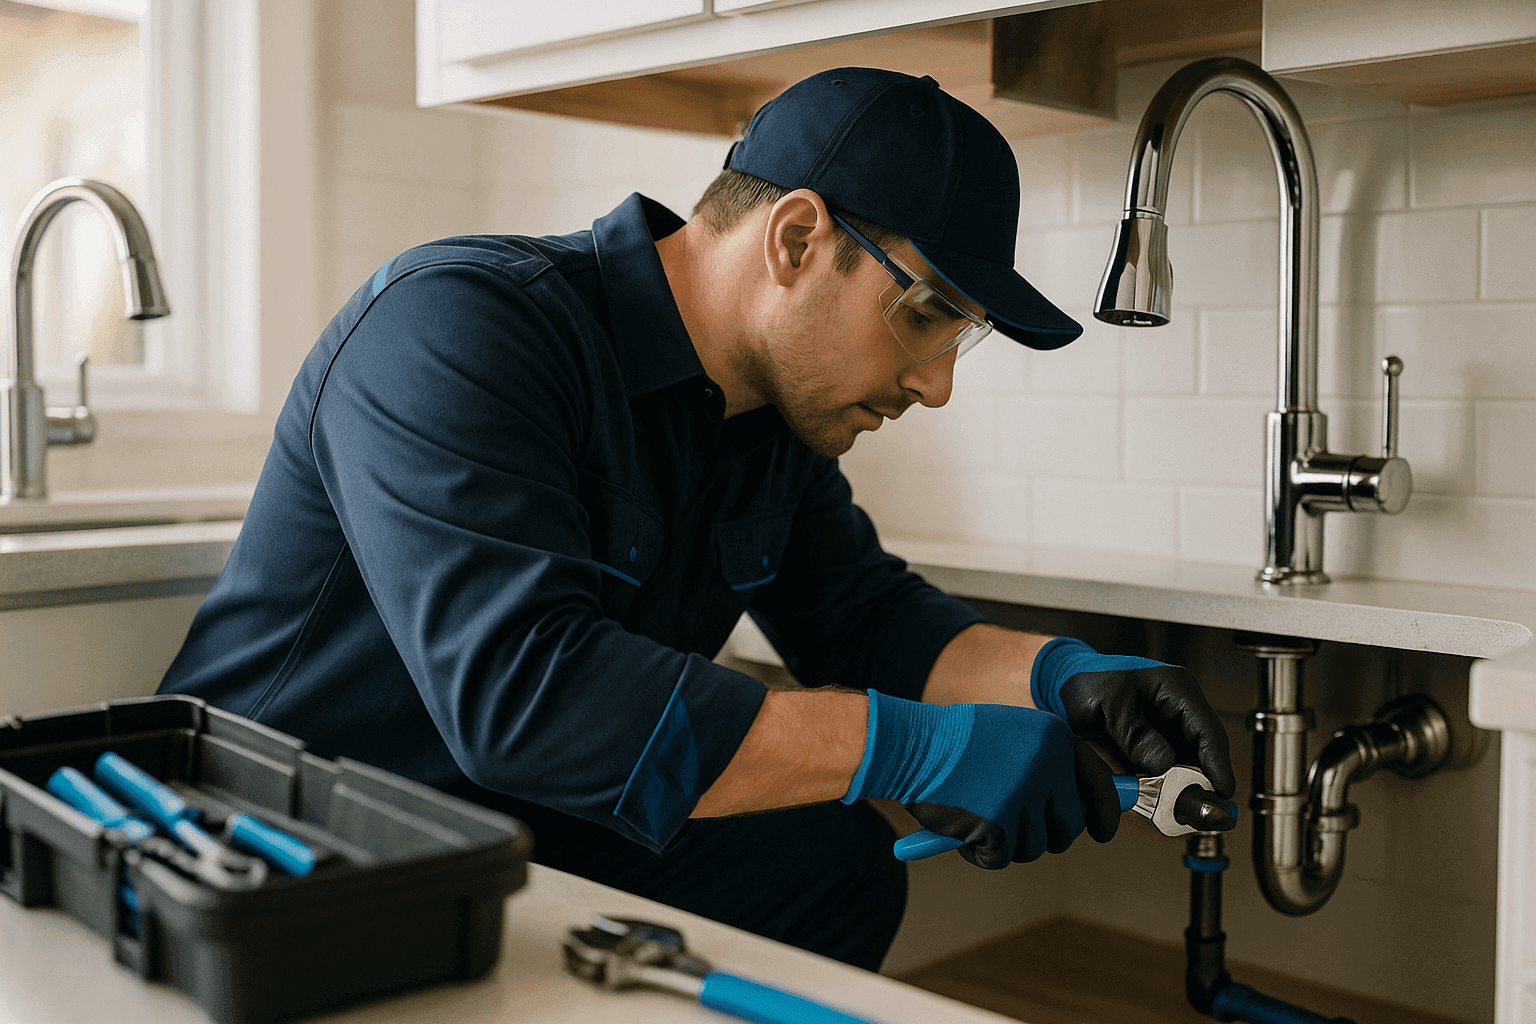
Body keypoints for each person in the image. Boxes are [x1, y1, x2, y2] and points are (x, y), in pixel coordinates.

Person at [158, 68, 1234, 972]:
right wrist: (917, 747)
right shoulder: (460, 325)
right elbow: (529, 697)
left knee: (829, 865)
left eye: (967, 335)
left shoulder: (771, 414)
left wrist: (1065, 679)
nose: (939, 383)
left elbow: (862, 618)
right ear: (798, 239)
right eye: (926, 311)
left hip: (513, 833)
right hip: (275, 841)